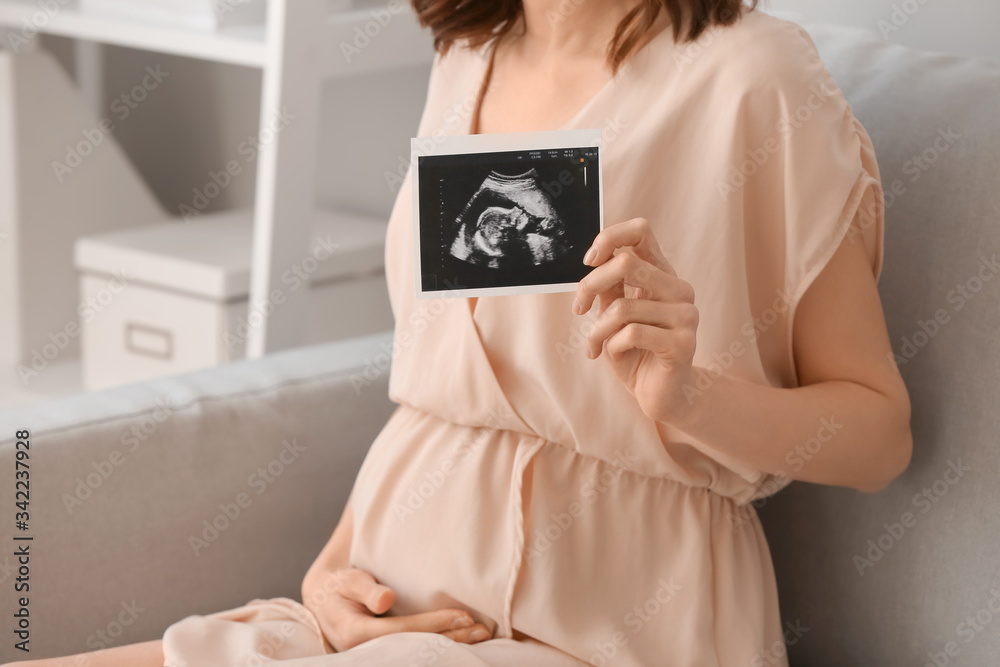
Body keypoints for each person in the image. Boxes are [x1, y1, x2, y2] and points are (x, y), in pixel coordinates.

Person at [12, 0, 912, 665]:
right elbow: (441, 395)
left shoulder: (755, 76)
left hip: (603, 627)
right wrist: (328, 572)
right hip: (380, 608)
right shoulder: (466, 52)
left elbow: (879, 435)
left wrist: (689, 393)